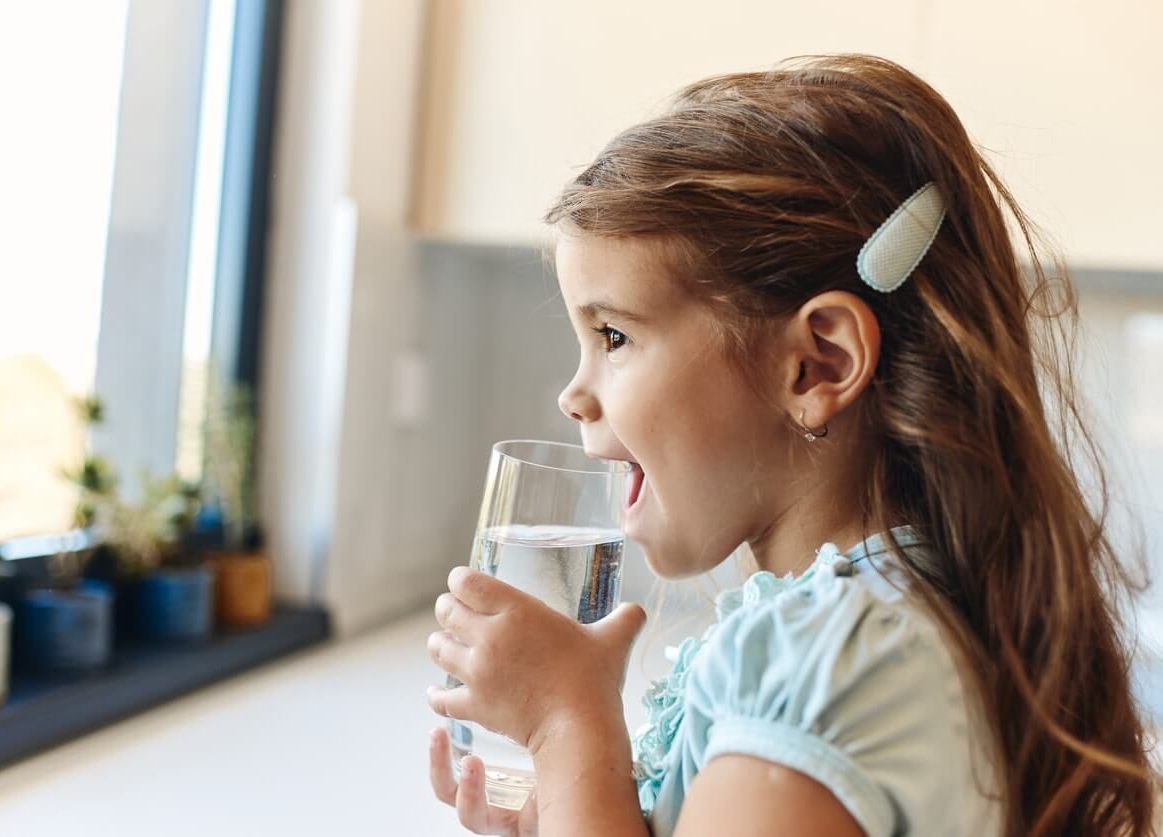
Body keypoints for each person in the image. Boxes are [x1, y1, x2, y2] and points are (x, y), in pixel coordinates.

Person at [425, 54, 1156, 836]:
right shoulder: (883, 628)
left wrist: (567, 726)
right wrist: (574, 808)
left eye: (614, 334)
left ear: (818, 364)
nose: (573, 394)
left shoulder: (831, 664)